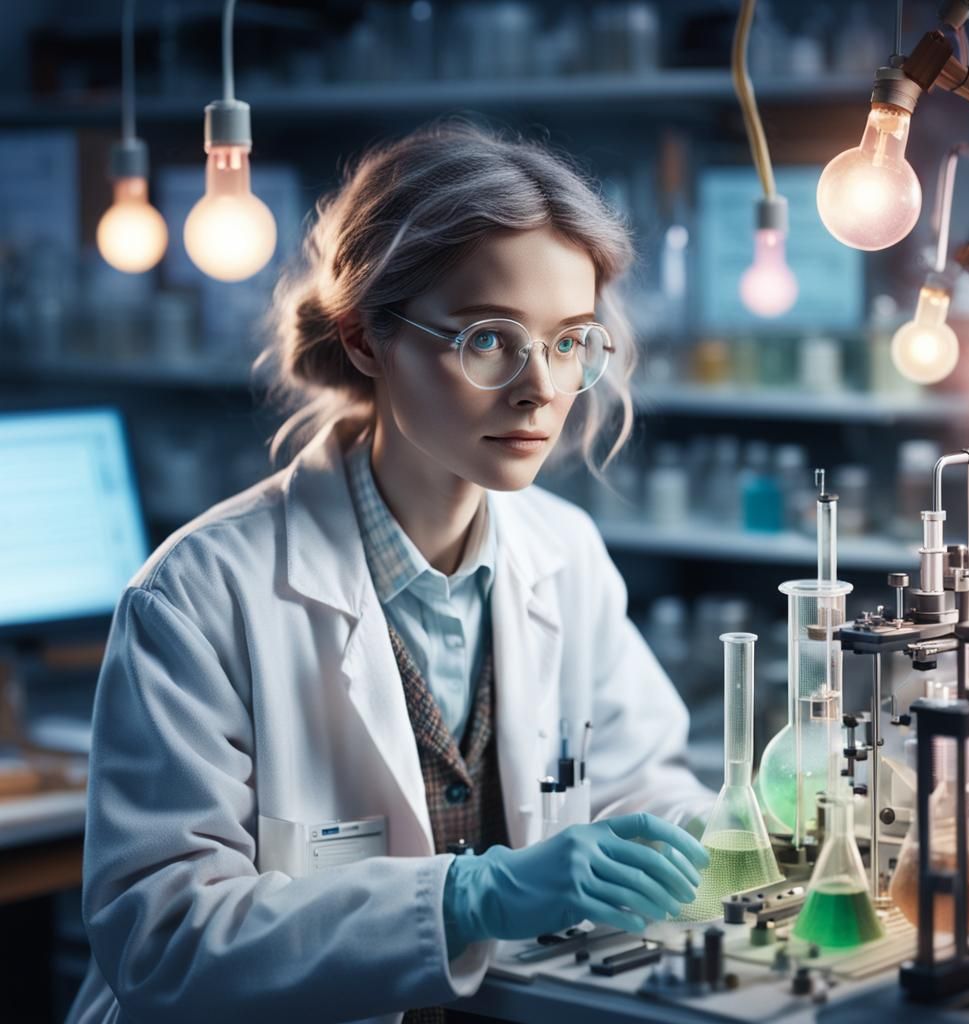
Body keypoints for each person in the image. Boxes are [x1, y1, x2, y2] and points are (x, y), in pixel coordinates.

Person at [67, 120, 716, 1024]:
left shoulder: (564, 554)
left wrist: (702, 838)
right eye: (489, 338)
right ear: (368, 338)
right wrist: (465, 899)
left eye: (570, 341)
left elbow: (643, 783)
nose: (540, 388)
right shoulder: (200, 596)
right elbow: (163, 936)